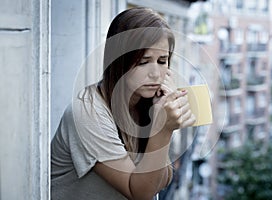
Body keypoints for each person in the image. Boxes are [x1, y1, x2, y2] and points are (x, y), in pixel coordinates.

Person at [51, 7, 196, 200]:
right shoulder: (87, 112)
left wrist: (160, 119)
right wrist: (163, 129)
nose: (155, 73)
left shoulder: (146, 104)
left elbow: (163, 179)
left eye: (162, 61)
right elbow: (139, 193)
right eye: (143, 62)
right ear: (119, 61)